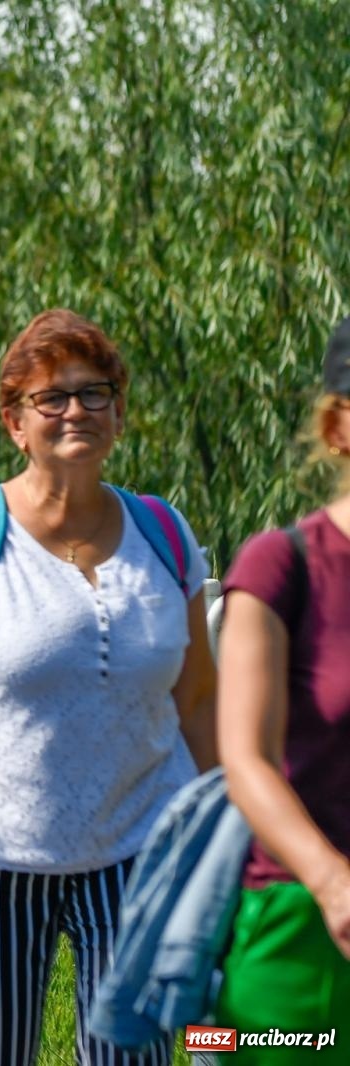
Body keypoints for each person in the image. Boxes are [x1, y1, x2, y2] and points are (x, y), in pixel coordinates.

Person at [0, 308, 218, 1066]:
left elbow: (197, 701)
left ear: (120, 412)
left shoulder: (165, 534)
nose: (75, 412)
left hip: (141, 850)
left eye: (95, 394)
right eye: (49, 397)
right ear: (13, 421)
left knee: (135, 1056)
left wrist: (231, 834)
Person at [212, 318, 350, 1053]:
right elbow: (247, 760)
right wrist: (333, 882)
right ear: (338, 427)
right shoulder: (281, 566)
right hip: (302, 927)